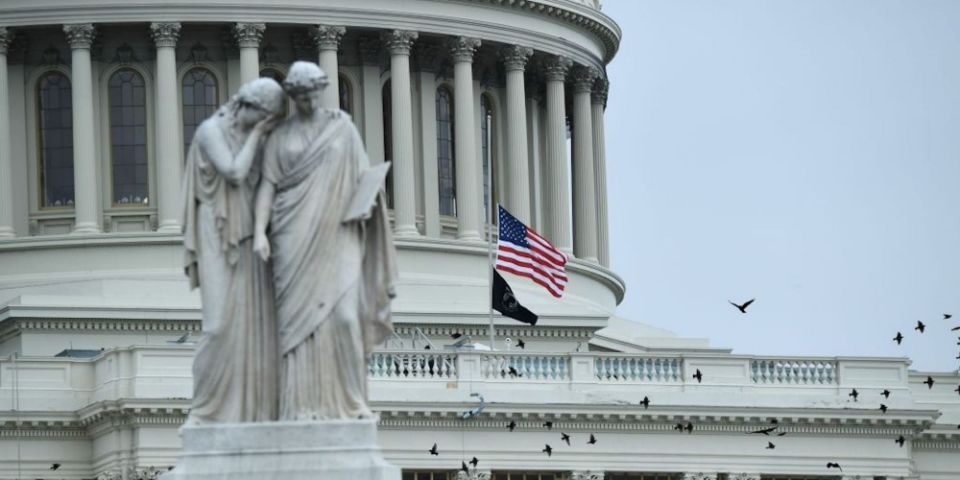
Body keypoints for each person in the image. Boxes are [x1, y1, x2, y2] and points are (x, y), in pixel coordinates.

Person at [253, 61, 397, 421]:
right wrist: (258, 232)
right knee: (296, 330)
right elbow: (267, 186)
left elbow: (365, 177)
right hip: (292, 235)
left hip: (340, 230)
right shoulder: (280, 137)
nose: (310, 100)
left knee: (346, 318)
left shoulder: (343, 129)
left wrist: (368, 200)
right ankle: (299, 406)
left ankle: (350, 402)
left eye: (315, 92)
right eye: (302, 95)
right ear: (293, 95)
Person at [181, 77, 285, 424]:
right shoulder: (212, 130)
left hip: (247, 236)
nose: (262, 126)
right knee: (218, 326)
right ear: (248, 106)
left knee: (254, 330)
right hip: (216, 229)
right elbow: (235, 172)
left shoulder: (258, 136)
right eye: (262, 118)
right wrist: (259, 134)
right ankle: (205, 411)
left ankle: (250, 412)